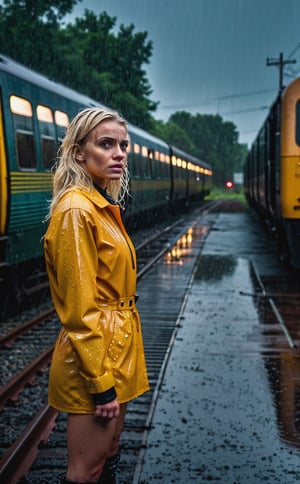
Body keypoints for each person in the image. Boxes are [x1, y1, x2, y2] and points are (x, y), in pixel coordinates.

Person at [44, 107, 150, 484]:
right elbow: (79, 309)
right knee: (85, 473)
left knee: (106, 462)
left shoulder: (100, 206)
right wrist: (101, 383)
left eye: (123, 144)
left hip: (116, 349)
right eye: (106, 144)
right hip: (96, 359)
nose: (119, 153)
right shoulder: (77, 210)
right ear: (78, 152)